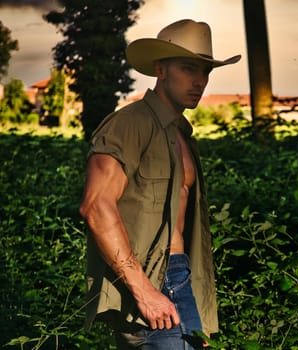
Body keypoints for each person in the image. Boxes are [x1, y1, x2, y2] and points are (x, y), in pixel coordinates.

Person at [79, 19, 241, 349]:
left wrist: (197, 309)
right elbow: (96, 206)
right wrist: (144, 291)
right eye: (188, 68)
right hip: (149, 281)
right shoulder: (130, 123)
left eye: (206, 72)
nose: (200, 81)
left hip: (181, 278)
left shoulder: (180, 133)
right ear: (161, 69)